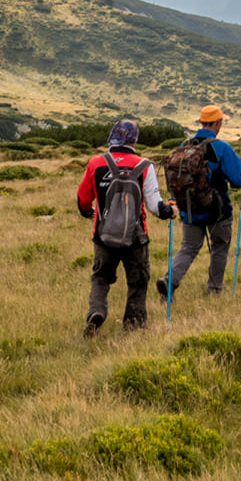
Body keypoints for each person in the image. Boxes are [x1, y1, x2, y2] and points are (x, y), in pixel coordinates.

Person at [76, 118, 174, 335]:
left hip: (104, 234)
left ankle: (96, 310)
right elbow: (155, 206)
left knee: (101, 278)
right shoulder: (145, 165)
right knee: (138, 282)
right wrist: (170, 211)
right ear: (134, 140)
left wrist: (87, 211)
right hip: (136, 237)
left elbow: (83, 199)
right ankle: (134, 326)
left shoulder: (96, 163)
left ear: (113, 136)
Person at [160, 104, 241, 299]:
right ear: (218, 123)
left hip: (190, 208)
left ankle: (169, 281)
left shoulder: (184, 146)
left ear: (202, 121)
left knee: (189, 248)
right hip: (217, 209)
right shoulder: (221, 147)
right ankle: (214, 291)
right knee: (220, 247)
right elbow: (239, 180)